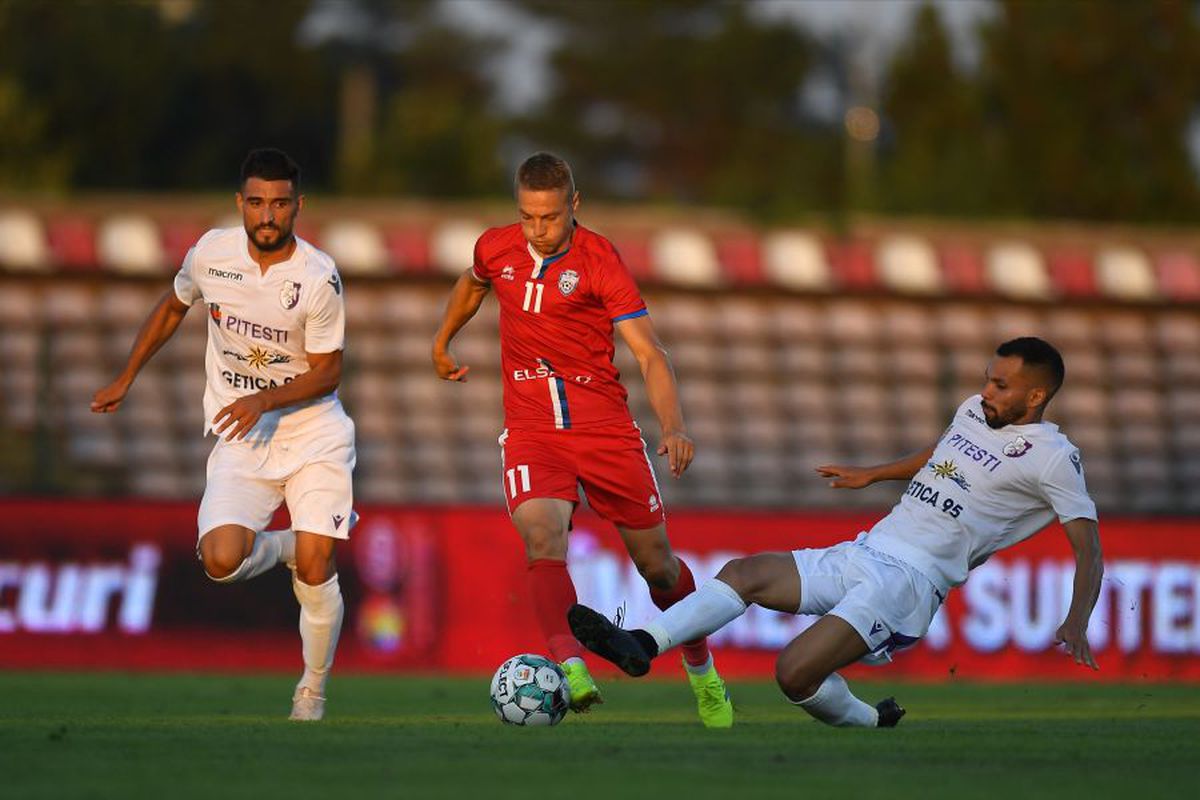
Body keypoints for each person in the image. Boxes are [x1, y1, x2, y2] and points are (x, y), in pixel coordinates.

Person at [568, 337, 1103, 728]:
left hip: (909, 586)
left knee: (793, 673)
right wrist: (872, 473)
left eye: (1000, 385)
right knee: (745, 573)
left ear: (1034, 398)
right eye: (988, 377)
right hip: (869, 549)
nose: (986, 390)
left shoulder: (1054, 459)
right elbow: (940, 456)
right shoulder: (973, 412)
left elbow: (1089, 550)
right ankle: (641, 644)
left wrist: (1077, 619)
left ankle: (873, 723)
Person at [432, 152, 732, 727]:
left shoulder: (600, 261)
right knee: (542, 538)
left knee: (660, 570)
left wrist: (673, 426)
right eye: (527, 218)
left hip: (605, 431)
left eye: (549, 217)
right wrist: (443, 341)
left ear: (574, 206)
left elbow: (650, 352)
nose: (538, 230)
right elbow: (472, 284)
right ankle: (570, 669)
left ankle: (703, 673)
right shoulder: (495, 247)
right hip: (531, 430)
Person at [91, 148, 355, 722]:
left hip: (313, 433)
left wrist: (264, 397)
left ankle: (311, 690)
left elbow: (329, 370)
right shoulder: (211, 254)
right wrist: (126, 376)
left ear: (297, 207)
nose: (268, 215)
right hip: (244, 437)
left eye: (280, 204)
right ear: (240, 203)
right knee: (220, 560)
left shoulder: (317, 276)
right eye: (257, 203)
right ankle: (292, 545)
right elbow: (172, 306)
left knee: (317, 566)